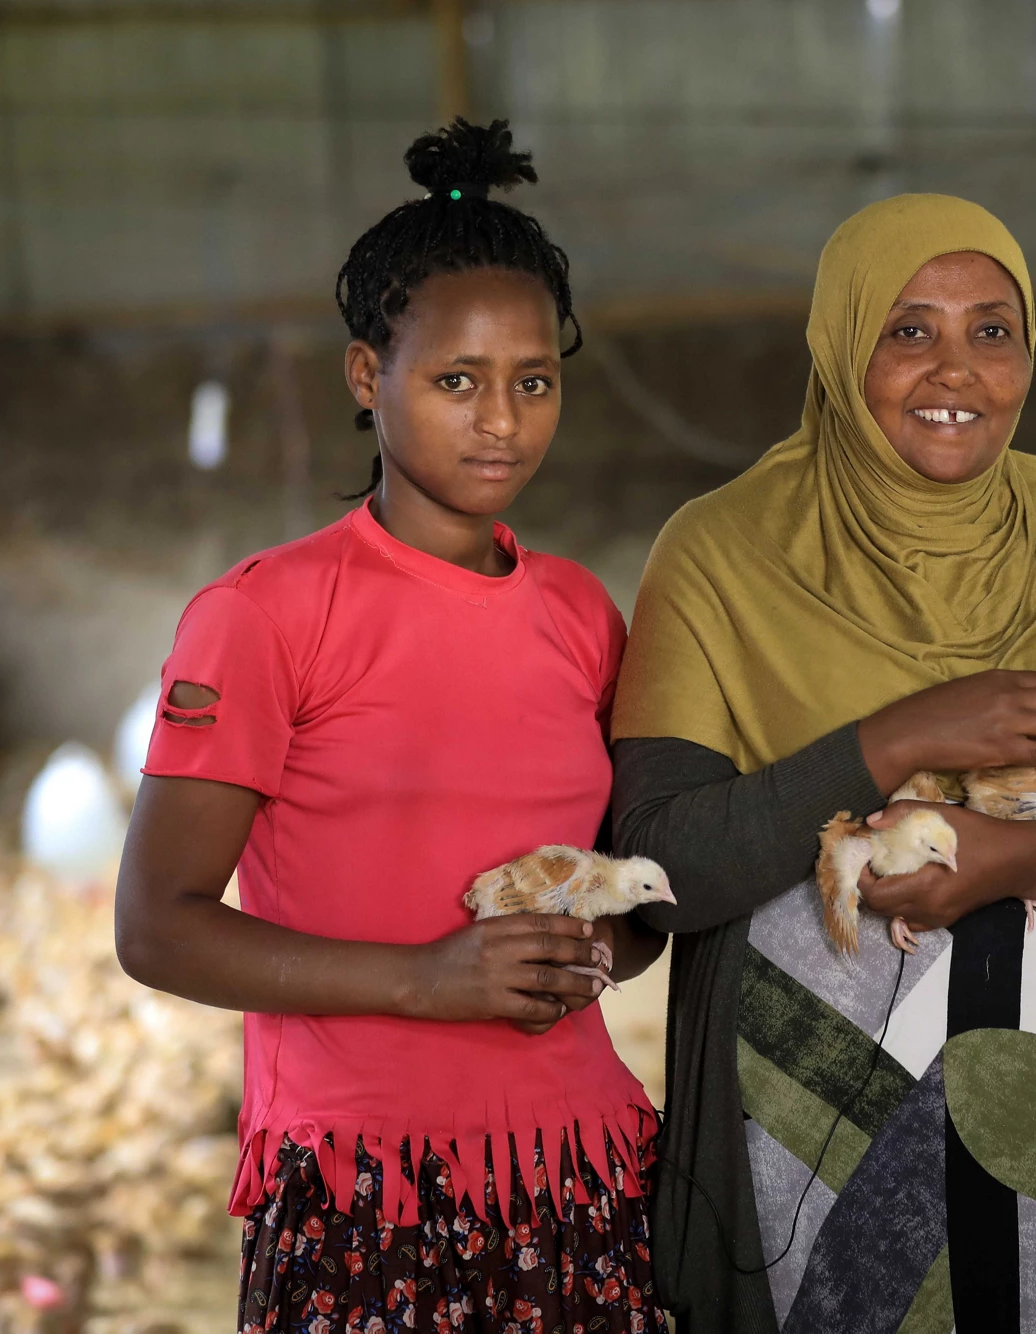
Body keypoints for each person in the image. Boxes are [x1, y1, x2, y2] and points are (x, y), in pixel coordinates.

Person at [613, 194, 1036, 1332]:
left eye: (991, 330)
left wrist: (1012, 855)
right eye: (906, 330)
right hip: (815, 1146)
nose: (954, 369)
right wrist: (899, 735)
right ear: (837, 344)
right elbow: (666, 863)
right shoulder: (719, 553)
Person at [115, 119, 666, 1333]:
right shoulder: (265, 616)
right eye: (456, 380)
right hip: (366, 1198)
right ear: (369, 378)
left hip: (576, 1177)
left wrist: (597, 949)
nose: (502, 420)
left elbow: (627, 909)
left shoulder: (581, 615)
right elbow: (156, 926)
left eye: (534, 380)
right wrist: (425, 978)